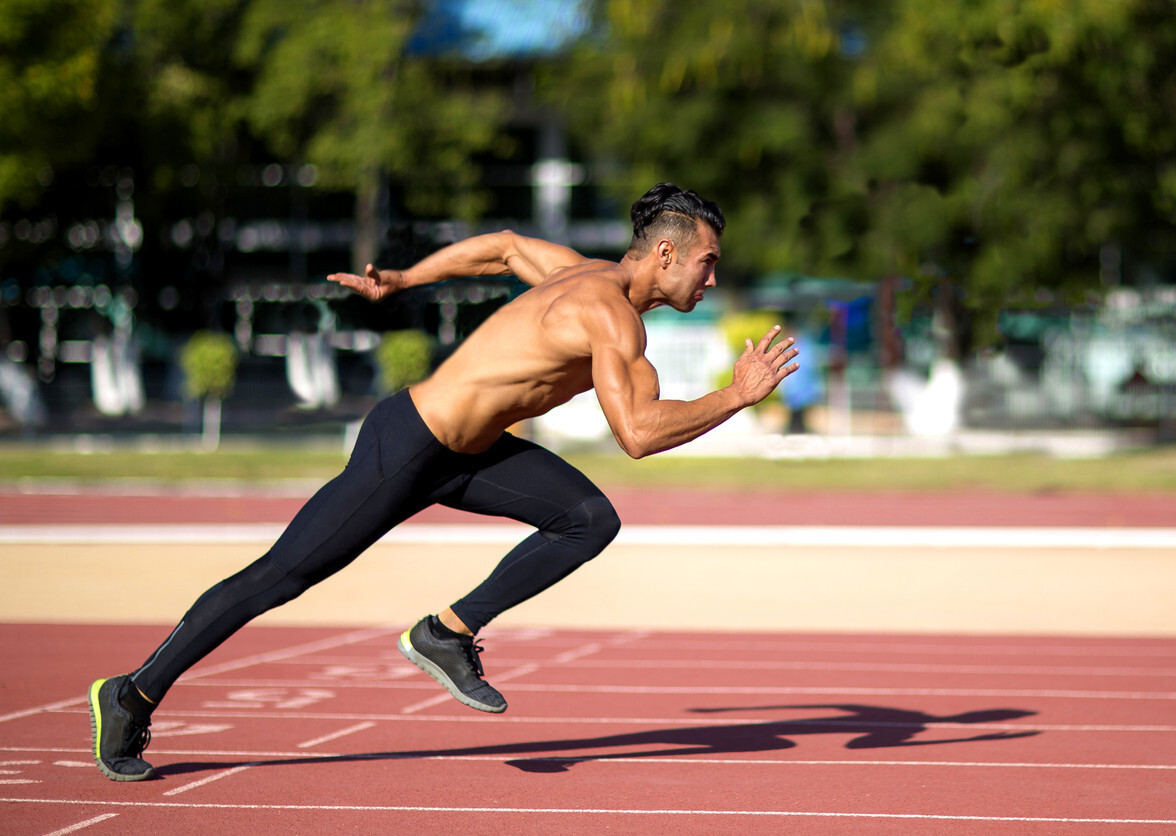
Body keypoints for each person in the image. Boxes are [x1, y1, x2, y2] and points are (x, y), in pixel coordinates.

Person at [88, 183, 800, 782]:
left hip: (473, 452)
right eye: (706, 263)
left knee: (588, 517)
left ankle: (445, 632)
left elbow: (502, 246)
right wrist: (737, 396)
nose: (710, 280)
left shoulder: (580, 274)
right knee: (280, 575)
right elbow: (638, 435)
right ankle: (133, 692)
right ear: (666, 253)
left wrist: (404, 279)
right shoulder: (604, 311)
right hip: (408, 446)